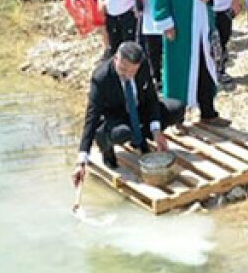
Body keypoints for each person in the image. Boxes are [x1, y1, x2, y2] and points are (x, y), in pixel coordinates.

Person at [75, 42, 184, 175]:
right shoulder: (101, 77)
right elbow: (92, 116)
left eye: (132, 71)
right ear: (116, 59)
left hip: (138, 110)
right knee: (122, 133)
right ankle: (107, 149)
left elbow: (151, 99)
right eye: (123, 68)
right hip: (115, 118)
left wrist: (156, 130)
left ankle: (141, 138)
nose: (127, 74)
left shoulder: (143, 66)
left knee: (177, 109)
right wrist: (82, 158)